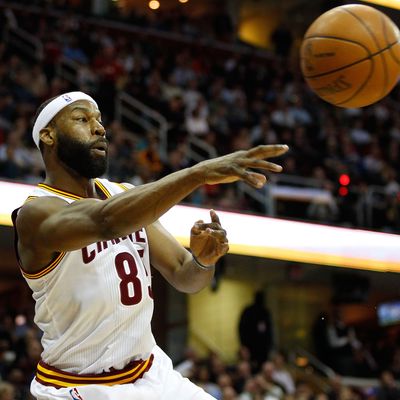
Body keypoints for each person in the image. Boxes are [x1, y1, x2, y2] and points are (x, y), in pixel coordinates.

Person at [11, 91, 289, 400]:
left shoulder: (123, 195)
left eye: (100, 120)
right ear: (48, 136)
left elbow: (186, 276)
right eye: (82, 119)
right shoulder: (35, 215)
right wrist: (197, 174)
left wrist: (204, 261)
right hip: (80, 386)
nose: (100, 128)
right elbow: (106, 223)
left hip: (151, 373)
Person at [238, 291, 274, 371]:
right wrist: (243, 345)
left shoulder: (265, 312)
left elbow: (270, 331)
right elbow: (241, 329)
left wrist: (270, 346)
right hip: (250, 346)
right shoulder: (248, 311)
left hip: (263, 348)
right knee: (249, 368)